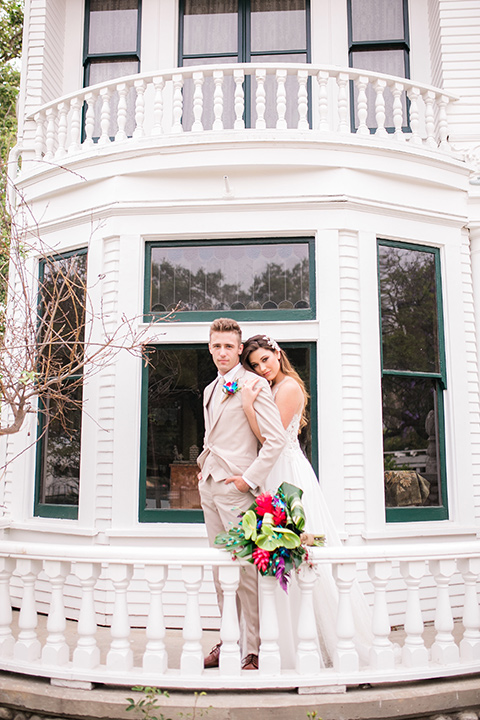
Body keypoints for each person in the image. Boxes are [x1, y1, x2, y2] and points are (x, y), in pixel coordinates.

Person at [240, 334, 373, 668]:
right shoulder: (270, 387)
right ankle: (285, 640)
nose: (262, 368)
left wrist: (246, 407)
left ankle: (319, 643)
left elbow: (270, 438)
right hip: (273, 472)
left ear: (278, 353)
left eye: (265, 360)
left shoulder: (288, 389)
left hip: (288, 474)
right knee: (278, 553)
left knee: (300, 551)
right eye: (255, 365)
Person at [197, 319, 286, 670]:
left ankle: (252, 648)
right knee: (222, 572)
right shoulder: (208, 390)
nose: (222, 352)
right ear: (209, 347)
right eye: (216, 346)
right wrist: (203, 468)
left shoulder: (254, 384)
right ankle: (227, 640)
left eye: (229, 347)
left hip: (237, 490)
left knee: (246, 572)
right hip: (209, 488)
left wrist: (248, 481)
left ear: (238, 349)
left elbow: (275, 439)